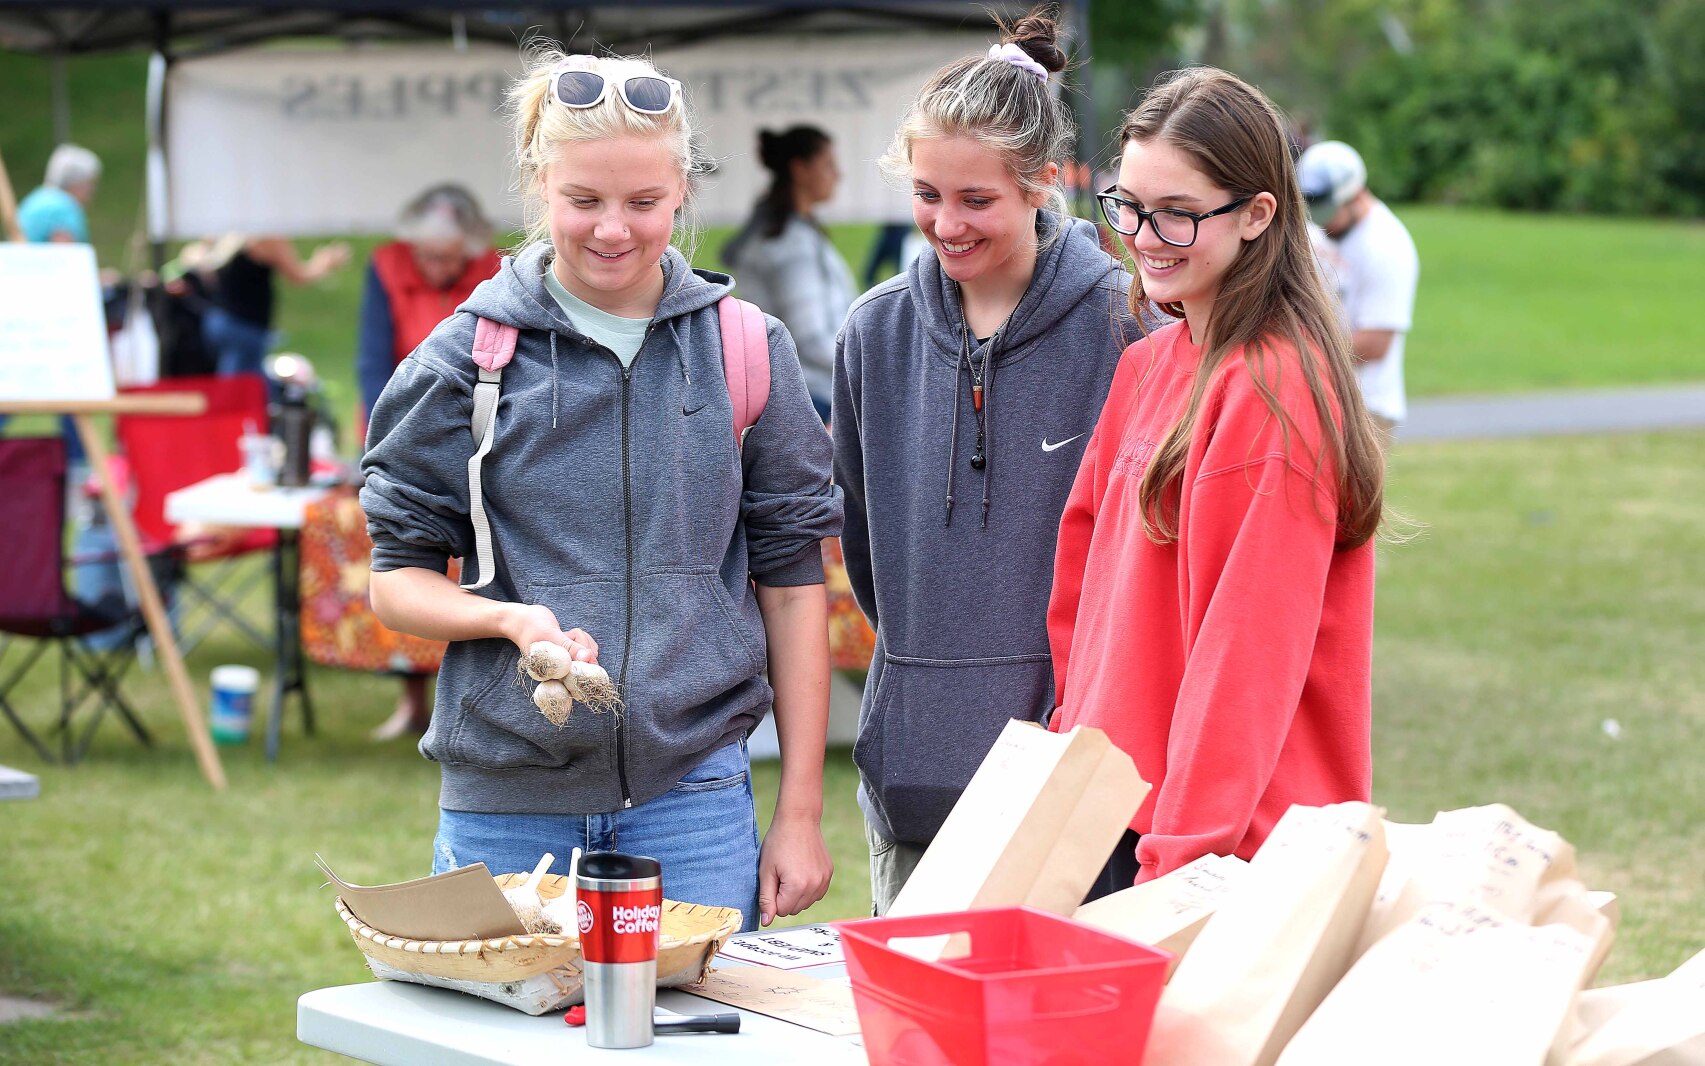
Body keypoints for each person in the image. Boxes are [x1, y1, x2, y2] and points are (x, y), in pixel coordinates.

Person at [360, 49, 842, 932]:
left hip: (693, 802)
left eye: (643, 203)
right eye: (583, 201)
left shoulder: (743, 348)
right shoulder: (463, 359)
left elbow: (792, 583)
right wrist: (505, 620)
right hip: (503, 813)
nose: (613, 229)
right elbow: (394, 579)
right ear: (539, 186)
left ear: (681, 193)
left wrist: (800, 812)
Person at [833, 10, 1164, 915]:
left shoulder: (1129, 331)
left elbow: (1144, 569)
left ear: (1040, 184)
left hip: (1076, 789)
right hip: (911, 777)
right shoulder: (872, 333)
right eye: (927, 194)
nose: (946, 223)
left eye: (975, 200)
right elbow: (867, 553)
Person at [1050, 68, 1387, 893]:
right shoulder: (1146, 364)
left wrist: (1179, 866)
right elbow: (1082, 592)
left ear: (1257, 215)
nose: (1142, 234)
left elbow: (1245, 660)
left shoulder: (1274, 389)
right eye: (1125, 204)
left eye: (1175, 213)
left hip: (1218, 849)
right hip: (1112, 813)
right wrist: (1069, 764)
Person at [356, 184, 504, 741]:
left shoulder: (493, 272)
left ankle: (468, 691)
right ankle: (411, 697)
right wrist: (386, 439)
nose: (437, 268)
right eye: (428, 258)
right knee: (402, 558)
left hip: (475, 428)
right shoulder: (386, 267)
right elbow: (372, 361)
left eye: (449, 259)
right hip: (400, 424)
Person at [722, 126, 855, 422]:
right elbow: (808, 336)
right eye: (828, 165)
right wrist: (865, 368)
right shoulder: (789, 244)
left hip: (809, 393)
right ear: (800, 169)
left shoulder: (793, 233)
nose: (838, 174)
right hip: (812, 399)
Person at [1297, 140, 1419, 437]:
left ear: (1354, 195)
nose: (1321, 224)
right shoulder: (1321, 228)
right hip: (1319, 395)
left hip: (1364, 409)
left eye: (1328, 212)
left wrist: (1296, 351)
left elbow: (1375, 343)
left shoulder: (1387, 246)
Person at [199, 234, 350, 377]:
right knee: (241, 386)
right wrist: (325, 262)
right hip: (245, 324)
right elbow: (298, 275)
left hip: (220, 319)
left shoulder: (230, 234)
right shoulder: (268, 237)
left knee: (244, 380)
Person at [17, 144, 99, 244]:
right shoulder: (62, 207)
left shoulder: (38, 197)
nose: (92, 190)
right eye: (89, 183)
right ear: (77, 183)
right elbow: (63, 254)